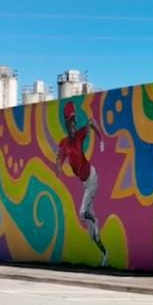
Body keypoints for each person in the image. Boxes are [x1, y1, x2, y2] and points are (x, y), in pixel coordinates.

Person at [56, 101, 108, 265]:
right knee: (92, 234)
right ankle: (105, 254)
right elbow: (60, 156)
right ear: (66, 126)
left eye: (74, 123)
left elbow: (92, 122)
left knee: (82, 213)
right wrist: (58, 168)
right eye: (69, 124)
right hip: (85, 184)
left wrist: (101, 140)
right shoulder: (65, 143)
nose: (72, 127)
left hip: (91, 178)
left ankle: (95, 220)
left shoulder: (79, 135)